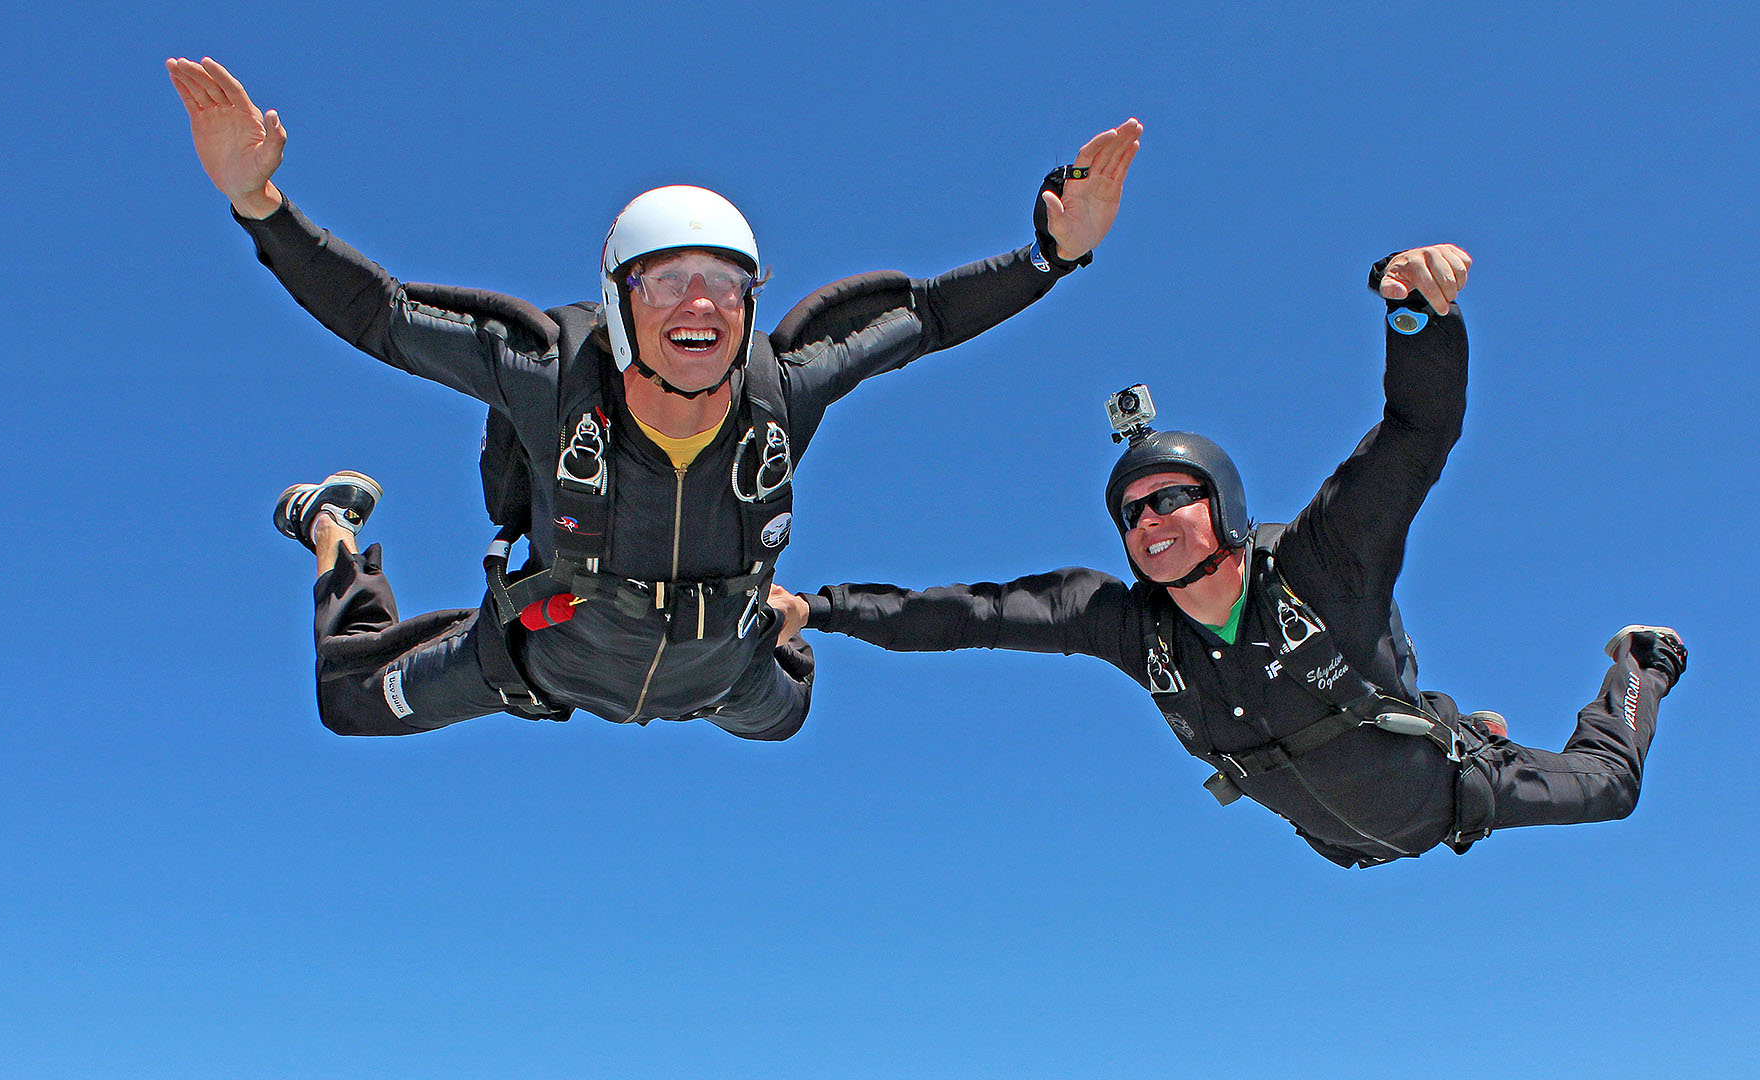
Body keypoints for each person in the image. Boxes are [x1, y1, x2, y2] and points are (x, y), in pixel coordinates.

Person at [165, 56, 1144, 740]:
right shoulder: (549, 378)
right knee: (350, 700)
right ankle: (332, 528)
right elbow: (382, 315)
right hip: (549, 659)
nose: (700, 306)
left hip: (726, 674)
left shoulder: (785, 387)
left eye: (725, 285)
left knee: (787, 719)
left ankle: (778, 626)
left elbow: (925, 318)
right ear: (619, 300)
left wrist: (1052, 257)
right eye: (666, 281)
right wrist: (262, 205)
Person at [774, 245, 1687, 866]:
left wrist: (1415, 316)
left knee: (1611, 790)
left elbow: (1416, 433)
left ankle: (1640, 662)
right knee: (1351, 828)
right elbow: (968, 614)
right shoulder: (1127, 628)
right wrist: (818, 608)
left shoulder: (1324, 564)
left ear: (1225, 504)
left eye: (1172, 497)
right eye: (1131, 513)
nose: (1150, 520)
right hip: (1344, 845)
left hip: (1452, 797)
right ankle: (1448, 717)